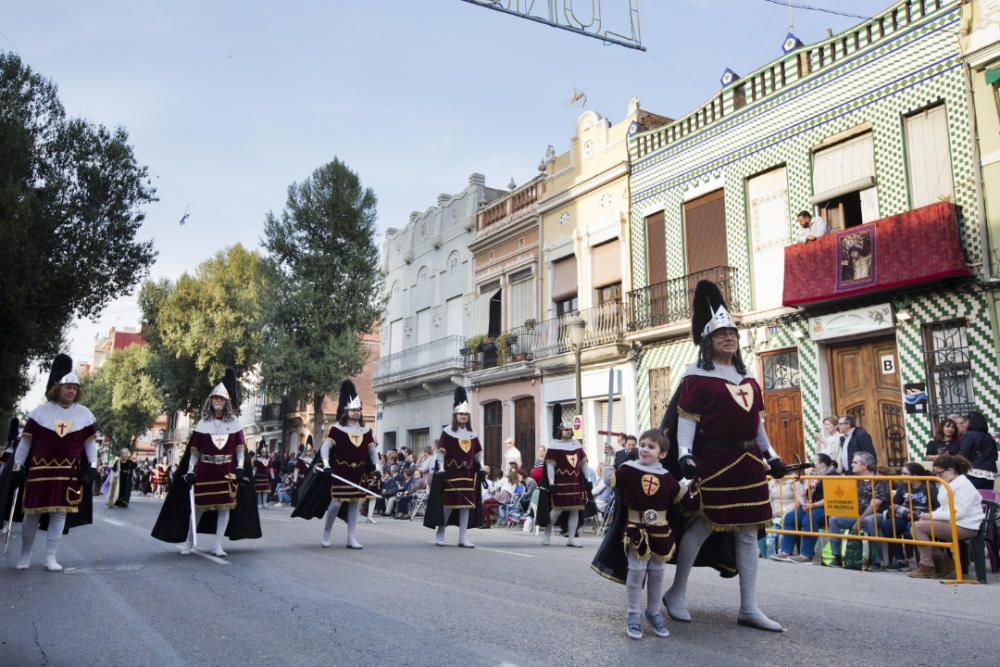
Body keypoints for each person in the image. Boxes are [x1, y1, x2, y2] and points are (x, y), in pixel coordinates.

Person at [663, 280, 788, 632]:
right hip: (714, 463)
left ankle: (749, 607)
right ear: (708, 341)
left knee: (748, 533)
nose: (729, 339)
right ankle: (676, 593)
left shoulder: (747, 377)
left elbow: (756, 425)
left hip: (749, 465)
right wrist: (685, 456)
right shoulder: (696, 376)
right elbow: (686, 423)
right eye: (721, 336)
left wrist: (772, 457)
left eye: (732, 334)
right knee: (703, 525)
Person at [1, 355, 99, 571]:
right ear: (58, 389)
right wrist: (17, 467)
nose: (71, 391)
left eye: (74, 388)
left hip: (67, 473)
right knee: (32, 513)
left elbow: (90, 446)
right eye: (67, 387)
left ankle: (50, 557)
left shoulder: (84, 415)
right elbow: (25, 443)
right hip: (39, 472)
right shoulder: (39, 413)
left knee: (59, 513)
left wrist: (92, 467)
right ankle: (25, 555)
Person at [151, 368, 261, 557]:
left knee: (224, 507)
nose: (218, 402)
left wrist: (241, 468)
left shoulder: (234, 423)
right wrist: (191, 470)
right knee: (198, 507)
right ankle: (188, 541)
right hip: (205, 470)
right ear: (210, 401)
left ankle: (217, 545)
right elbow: (194, 452)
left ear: (226, 403)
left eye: (221, 399)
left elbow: (240, 448)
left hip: (226, 470)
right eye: (215, 399)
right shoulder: (203, 424)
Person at [592, 429, 679, 639]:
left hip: (660, 531)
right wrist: (609, 460)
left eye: (651, 446)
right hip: (635, 529)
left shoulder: (667, 477)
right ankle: (633, 614)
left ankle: (654, 612)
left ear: (662, 454)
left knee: (657, 572)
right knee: (637, 570)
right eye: (642, 445)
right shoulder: (629, 470)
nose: (644, 449)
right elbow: (611, 481)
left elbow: (681, 497)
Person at [293, 380, 380, 549]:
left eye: (359, 410)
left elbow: (372, 452)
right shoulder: (337, 430)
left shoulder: (367, 431)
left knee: (355, 504)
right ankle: (327, 532)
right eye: (354, 410)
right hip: (341, 472)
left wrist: (377, 468)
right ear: (346, 411)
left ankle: (351, 537)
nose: (357, 413)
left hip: (359, 473)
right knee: (336, 503)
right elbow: (325, 447)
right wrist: (326, 464)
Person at [423, 387, 483, 548]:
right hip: (451, 473)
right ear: (456, 415)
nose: (463, 416)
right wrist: (441, 468)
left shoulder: (473, 433)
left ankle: (462, 538)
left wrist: (482, 467)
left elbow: (477, 454)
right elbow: (441, 452)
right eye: (461, 414)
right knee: (449, 504)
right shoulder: (447, 432)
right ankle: (440, 533)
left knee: (466, 506)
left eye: (466, 414)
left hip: (468, 474)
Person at [909, 454, 985, 579]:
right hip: (956, 522)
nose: (937, 477)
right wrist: (930, 516)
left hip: (966, 525)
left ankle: (928, 565)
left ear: (951, 470)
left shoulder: (963, 485)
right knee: (919, 526)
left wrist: (931, 516)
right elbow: (945, 509)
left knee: (917, 528)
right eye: (936, 474)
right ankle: (944, 563)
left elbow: (959, 513)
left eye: (939, 473)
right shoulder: (950, 483)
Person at [537, 404, 594, 548]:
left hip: (575, 484)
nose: (568, 432)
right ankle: (547, 534)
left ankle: (572, 538)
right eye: (565, 430)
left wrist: (588, 479)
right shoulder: (554, 445)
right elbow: (550, 465)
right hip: (560, 484)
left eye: (570, 430)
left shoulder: (576, 444)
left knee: (575, 510)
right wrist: (551, 482)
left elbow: (583, 464)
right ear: (560, 431)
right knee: (557, 510)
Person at [826, 451, 889, 569]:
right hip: (854, 515)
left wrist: (860, 519)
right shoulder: (853, 480)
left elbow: (876, 504)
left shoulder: (879, 480)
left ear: (865, 466)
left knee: (869, 521)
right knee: (834, 519)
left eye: (855, 462)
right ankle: (837, 556)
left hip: (876, 515)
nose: (851, 465)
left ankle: (875, 560)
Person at [772, 453, 836, 563]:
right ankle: (785, 552)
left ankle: (806, 555)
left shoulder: (834, 476)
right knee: (790, 517)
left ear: (822, 464)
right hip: (811, 506)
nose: (811, 463)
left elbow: (831, 498)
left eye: (814, 461)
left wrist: (813, 505)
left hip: (826, 507)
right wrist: (804, 503)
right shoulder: (812, 475)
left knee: (809, 519)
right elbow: (804, 494)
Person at [880, 462, 937, 571]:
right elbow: (894, 503)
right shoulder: (903, 486)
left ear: (915, 476)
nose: (902, 476)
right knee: (887, 525)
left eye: (905, 474)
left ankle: (923, 562)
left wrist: (923, 514)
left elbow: (936, 507)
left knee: (913, 527)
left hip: (922, 517)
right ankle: (900, 560)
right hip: (905, 516)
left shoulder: (928, 487)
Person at [958, 411, 998, 490]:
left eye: (966, 421)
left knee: (973, 499)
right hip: (990, 475)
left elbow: (963, 455)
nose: (964, 424)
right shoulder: (989, 437)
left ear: (971, 422)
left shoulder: (968, 435)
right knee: (986, 499)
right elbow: (995, 456)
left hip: (973, 473)